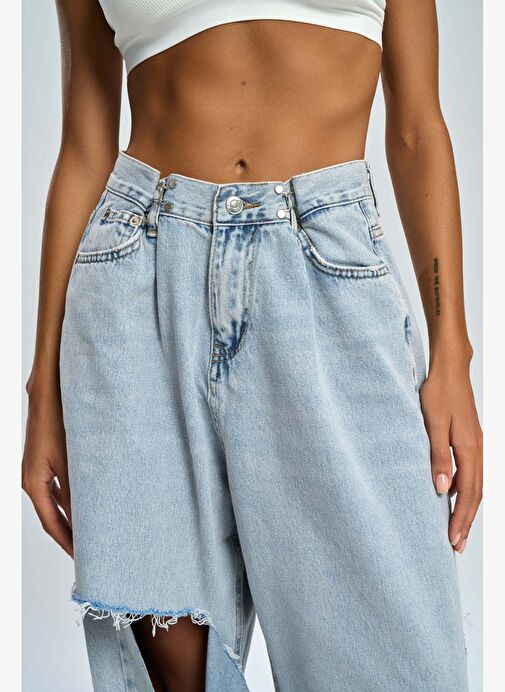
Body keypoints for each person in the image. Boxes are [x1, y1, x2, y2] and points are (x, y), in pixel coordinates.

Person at [22, 1, 482, 690]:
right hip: (135, 284)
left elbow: (417, 129)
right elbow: (84, 149)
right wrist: (43, 390)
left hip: (327, 272)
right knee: (178, 664)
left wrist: (452, 355)